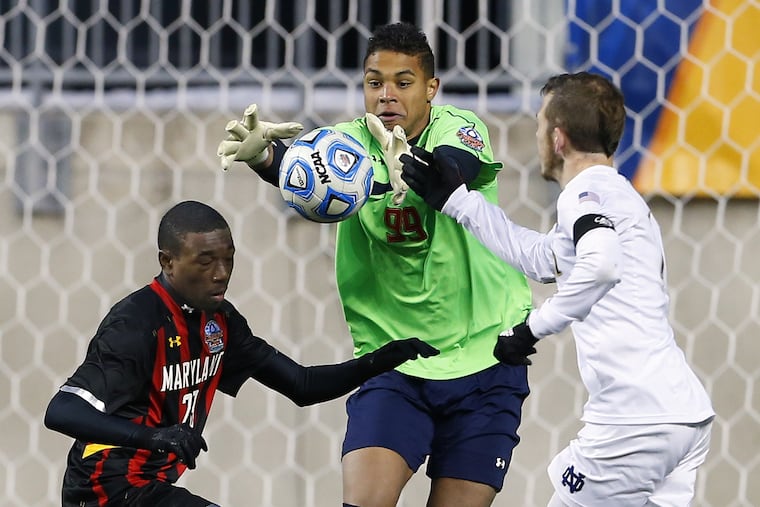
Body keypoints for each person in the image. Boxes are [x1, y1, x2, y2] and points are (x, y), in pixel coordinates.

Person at [217, 21, 533, 507]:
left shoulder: (461, 128)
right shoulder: (350, 145)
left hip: (485, 359)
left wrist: (396, 173)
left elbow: (452, 171)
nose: (387, 95)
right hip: (396, 360)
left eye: (403, 83)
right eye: (374, 82)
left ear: (431, 89)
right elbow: (313, 173)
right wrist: (266, 160)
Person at [400, 71, 715, 507]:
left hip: (633, 421)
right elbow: (544, 259)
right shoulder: (619, 196)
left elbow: (600, 264)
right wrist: (459, 202)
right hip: (682, 418)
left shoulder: (584, 193)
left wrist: (529, 329)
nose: (536, 135)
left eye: (538, 124)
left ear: (559, 138)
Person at [44, 200, 438, 507]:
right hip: (104, 489)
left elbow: (302, 385)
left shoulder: (221, 323)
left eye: (228, 258)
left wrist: (381, 360)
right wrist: (156, 437)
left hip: (150, 487)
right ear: (167, 262)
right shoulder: (135, 325)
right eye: (205, 261)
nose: (221, 273)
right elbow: (61, 411)